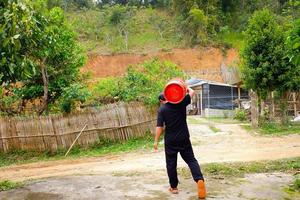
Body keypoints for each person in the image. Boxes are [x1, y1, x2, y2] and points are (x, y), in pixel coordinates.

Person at [154, 87, 206, 199]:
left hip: (170, 140)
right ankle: (199, 179)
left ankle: (174, 188)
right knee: (191, 160)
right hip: (184, 138)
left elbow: (159, 127)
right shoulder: (181, 103)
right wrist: (184, 88)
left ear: (162, 100)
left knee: (171, 164)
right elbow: (192, 92)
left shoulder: (162, 110)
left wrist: (156, 141)